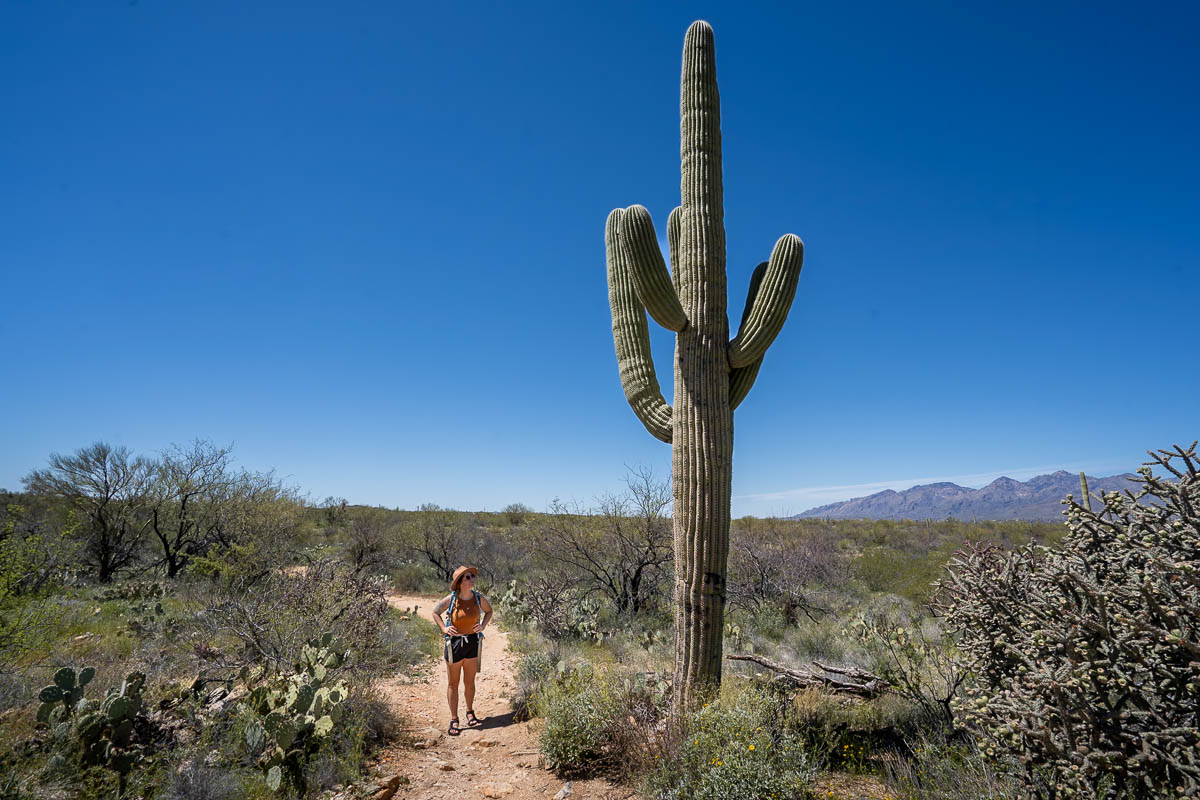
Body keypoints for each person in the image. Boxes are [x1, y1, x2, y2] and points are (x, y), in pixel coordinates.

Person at [432, 565, 493, 736]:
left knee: (469, 681)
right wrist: (444, 629)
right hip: (455, 644)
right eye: (468, 577)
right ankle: (454, 719)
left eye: (472, 576)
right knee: (453, 683)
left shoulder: (478, 598)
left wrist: (482, 626)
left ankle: (470, 711)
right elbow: (435, 612)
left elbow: (489, 611)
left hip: (472, 642)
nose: (472, 579)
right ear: (460, 582)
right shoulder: (451, 599)